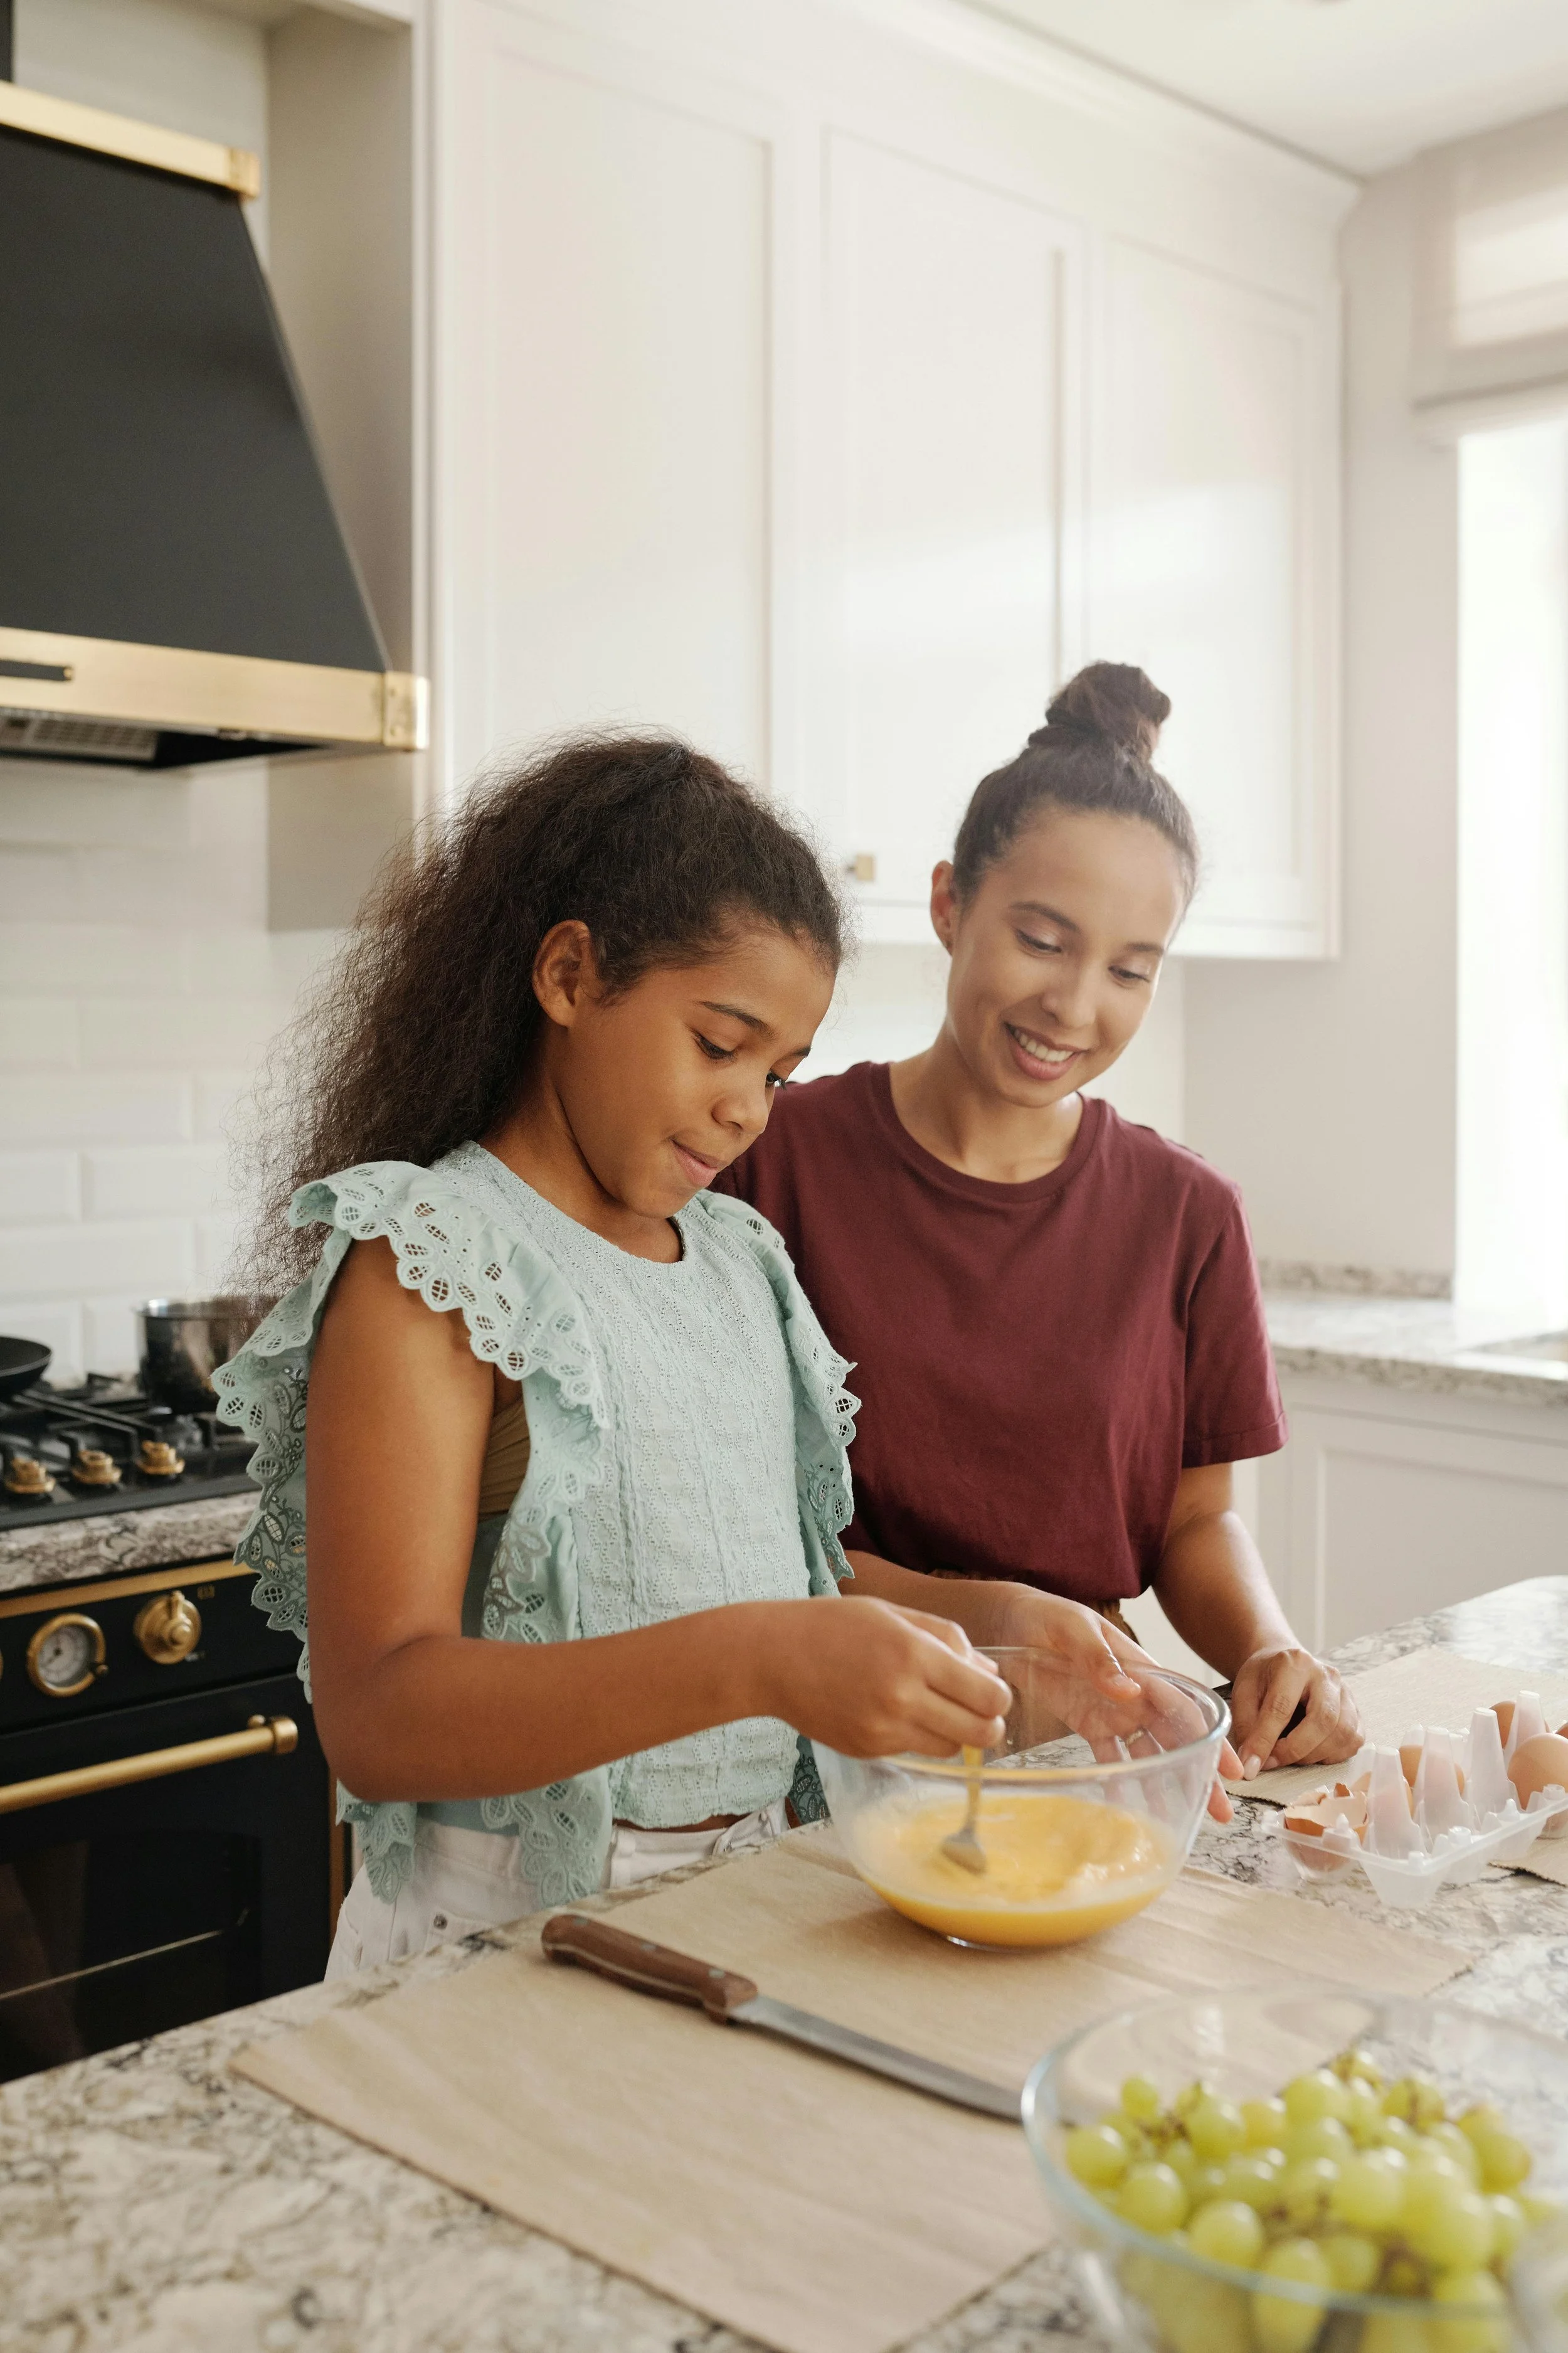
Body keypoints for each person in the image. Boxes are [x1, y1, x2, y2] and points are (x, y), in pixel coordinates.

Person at [216, 735, 1202, 1976]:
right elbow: (380, 1715)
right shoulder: (432, 1256)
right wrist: (763, 1662)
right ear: (569, 976)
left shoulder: (737, 1258)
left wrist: (994, 1620)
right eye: (719, 1044)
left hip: (754, 1903)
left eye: (779, 1072)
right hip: (500, 1942)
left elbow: (760, 1581)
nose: (749, 1106)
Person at [714, 665, 1361, 1779]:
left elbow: (1193, 1524)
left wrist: (1272, 1649)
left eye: (1129, 968)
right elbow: (730, 1528)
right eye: (1044, 939)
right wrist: (995, 1625)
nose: (1075, 1005)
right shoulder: (768, 1160)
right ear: (948, 905)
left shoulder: (1188, 1214)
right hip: (809, 1755)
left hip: (1086, 1759)